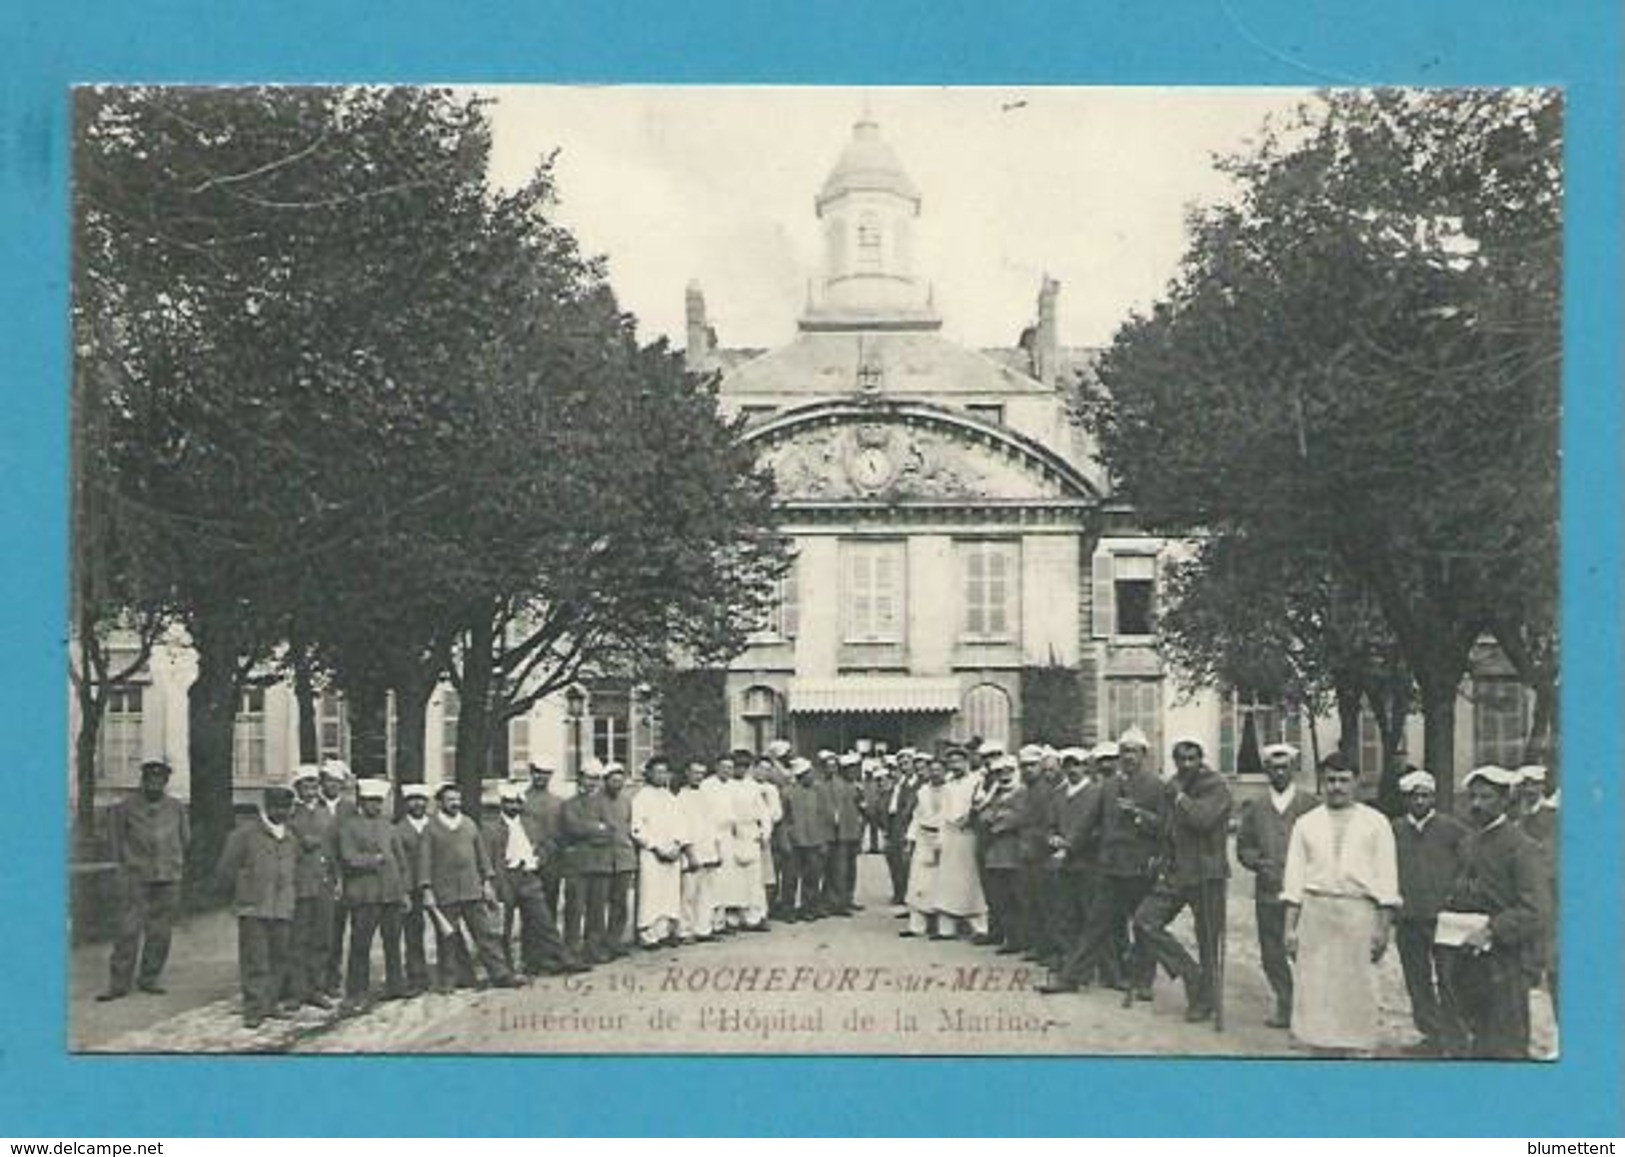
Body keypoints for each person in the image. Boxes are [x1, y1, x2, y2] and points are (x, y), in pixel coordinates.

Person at [1280, 754, 1400, 1055]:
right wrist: (1290, 929)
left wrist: (1382, 928)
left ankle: (1357, 1049)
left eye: (1343, 780)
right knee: (1316, 985)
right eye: (1330, 780)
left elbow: (1387, 880)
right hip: (1317, 911)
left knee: (1357, 984)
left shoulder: (1376, 823)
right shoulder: (1306, 823)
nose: (1336, 787)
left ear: (1356, 782)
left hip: (1358, 912)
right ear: (1323, 783)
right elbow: (1293, 879)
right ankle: (1320, 1048)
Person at [1437, 764, 1548, 1059]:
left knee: (1506, 1045)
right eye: (1472, 797)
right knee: (1475, 1041)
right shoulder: (1469, 843)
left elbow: (1536, 909)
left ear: (1505, 800)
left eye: (1485, 797)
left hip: (1505, 963)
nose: (1476, 804)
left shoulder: (1521, 846)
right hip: (1468, 960)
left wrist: (1491, 930)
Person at [1133, 740, 1232, 1023]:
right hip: (1176, 872)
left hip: (1207, 873)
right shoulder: (1173, 785)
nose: (1186, 764)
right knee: (1145, 920)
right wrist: (1146, 823)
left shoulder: (1217, 786)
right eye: (1181, 759)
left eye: (1192, 759)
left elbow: (1202, 819)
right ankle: (1191, 973)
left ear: (1202, 759)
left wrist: (1179, 798)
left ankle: (1204, 1001)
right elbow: (1166, 827)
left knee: (1208, 941)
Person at [1235, 742, 1320, 1028]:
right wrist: (1257, 862)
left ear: (1293, 769)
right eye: (1274, 767)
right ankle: (1286, 1002)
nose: (1280, 773)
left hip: (1305, 893)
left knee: (1306, 951)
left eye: (1285, 767)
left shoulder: (1310, 804)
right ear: (1266, 770)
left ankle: (1312, 1008)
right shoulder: (1256, 807)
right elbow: (1244, 845)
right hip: (1269, 891)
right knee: (1271, 952)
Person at [1390, 768, 1470, 1055]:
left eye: (1426, 795)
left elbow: (1468, 864)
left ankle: (1456, 1037)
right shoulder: (1395, 829)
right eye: (1415, 796)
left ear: (1434, 797)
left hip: (1443, 919)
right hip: (1409, 918)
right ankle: (1431, 1035)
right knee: (1417, 979)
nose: (1421, 801)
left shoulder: (1452, 828)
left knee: (1449, 979)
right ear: (1406, 799)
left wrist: (1455, 895)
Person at [99, 757, 189, 1002]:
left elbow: (185, 839)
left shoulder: (176, 807)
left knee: (160, 931)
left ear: (166, 782)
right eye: (150, 780)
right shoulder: (125, 807)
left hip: (168, 876)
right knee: (128, 929)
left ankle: (150, 977)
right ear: (143, 780)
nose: (155, 785)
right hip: (135, 876)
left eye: (160, 780)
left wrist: (176, 863)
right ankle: (119, 983)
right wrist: (123, 866)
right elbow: (116, 841)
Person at [418, 784, 521, 992]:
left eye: (457, 799)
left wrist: (487, 881)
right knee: (448, 939)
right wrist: (427, 889)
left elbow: (481, 855)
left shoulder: (469, 824)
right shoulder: (431, 828)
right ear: (440, 802)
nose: (455, 803)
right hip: (445, 891)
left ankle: (500, 973)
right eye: (450, 800)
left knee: (486, 934)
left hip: (472, 888)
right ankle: (451, 978)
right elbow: (424, 861)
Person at [214, 776, 299, 1029]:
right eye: (276, 808)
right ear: (267, 807)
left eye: (285, 808)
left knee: (278, 957)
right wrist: (240, 894)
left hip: (282, 906)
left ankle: (270, 1003)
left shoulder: (291, 837)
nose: (280, 813)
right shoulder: (245, 834)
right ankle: (254, 1008)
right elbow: (226, 869)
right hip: (254, 906)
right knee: (255, 959)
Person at [485, 780, 583, 976]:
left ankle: (561, 958)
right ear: (502, 804)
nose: (513, 806)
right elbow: (486, 857)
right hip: (506, 878)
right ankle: (507, 968)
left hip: (529, 877)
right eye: (509, 802)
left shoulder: (530, 824)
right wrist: (492, 882)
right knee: (505, 926)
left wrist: (539, 858)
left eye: (516, 802)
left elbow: (548, 843)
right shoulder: (491, 827)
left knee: (543, 921)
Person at [335, 778, 410, 1011]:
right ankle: (356, 991)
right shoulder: (349, 827)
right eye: (370, 802)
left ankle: (396, 985)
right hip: (364, 895)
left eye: (378, 801)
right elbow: (348, 858)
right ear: (361, 802)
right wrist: (373, 860)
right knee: (360, 945)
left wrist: (403, 892)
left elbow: (401, 862)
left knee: (393, 942)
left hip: (391, 894)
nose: (375, 806)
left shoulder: (390, 826)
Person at [1045, 743, 1108, 971]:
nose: (1073, 770)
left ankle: (1091, 965)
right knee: (1065, 913)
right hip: (1063, 864)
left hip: (1087, 862)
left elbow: (1098, 829)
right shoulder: (1058, 794)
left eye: (1078, 765)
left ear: (1087, 767)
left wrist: (1071, 845)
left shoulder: (1096, 792)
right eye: (1068, 765)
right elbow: (1051, 825)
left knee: (1089, 914)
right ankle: (1068, 959)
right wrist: (1052, 839)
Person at [286, 763, 337, 1008]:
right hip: (300, 883)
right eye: (305, 785)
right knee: (299, 939)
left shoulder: (326, 812)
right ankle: (297, 990)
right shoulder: (291, 813)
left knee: (322, 938)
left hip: (324, 882)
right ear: (297, 788)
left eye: (314, 785)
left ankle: (317, 988)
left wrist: (336, 879)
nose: (311, 789)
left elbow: (334, 846)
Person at [560, 760, 619, 962]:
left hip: (600, 864)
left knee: (597, 909)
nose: (591, 782)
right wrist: (597, 829)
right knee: (575, 909)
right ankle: (573, 949)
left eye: (595, 779)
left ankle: (594, 948)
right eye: (588, 778)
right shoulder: (569, 804)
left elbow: (612, 830)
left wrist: (592, 830)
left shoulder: (604, 805)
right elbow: (572, 828)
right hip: (577, 865)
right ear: (580, 778)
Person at [935, 746, 990, 940]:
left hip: (969, 836)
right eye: (951, 762)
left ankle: (979, 927)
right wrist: (940, 840)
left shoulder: (977, 782)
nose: (955, 765)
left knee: (970, 879)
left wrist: (972, 817)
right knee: (948, 881)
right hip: (950, 837)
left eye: (959, 761)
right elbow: (943, 813)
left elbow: (983, 806)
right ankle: (947, 927)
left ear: (967, 762)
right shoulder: (947, 785)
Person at [630, 756, 685, 948]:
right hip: (652, 853)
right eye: (658, 772)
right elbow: (637, 828)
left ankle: (666, 931)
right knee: (651, 893)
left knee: (669, 893)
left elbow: (680, 825)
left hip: (672, 851)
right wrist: (656, 847)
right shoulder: (641, 797)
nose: (662, 776)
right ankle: (649, 935)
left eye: (665, 772)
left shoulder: (671, 798)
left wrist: (677, 845)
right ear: (649, 773)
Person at [977, 754, 1026, 951]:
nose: (1004, 776)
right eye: (999, 773)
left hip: (1014, 852)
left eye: (1008, 771)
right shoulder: (995, 793)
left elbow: (1017, 819)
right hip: (994, 853)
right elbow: (983, 816)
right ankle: (1001, 933)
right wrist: (996, 818)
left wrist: (996, 820)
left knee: (1015, 898)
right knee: (998, 897)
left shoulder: (1022, 792)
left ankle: (1016, 938)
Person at [316, 759, 355, 996]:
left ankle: (333, 977)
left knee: (338, 928)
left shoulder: (349, 809)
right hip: (321, 875)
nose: (333, 786)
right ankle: (317, 979)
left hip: (345, 874)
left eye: (337, 782)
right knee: (320, 930)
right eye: (329, 781)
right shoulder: (315, 806)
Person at [393, 783, 435, 994]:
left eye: (421, 799)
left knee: (448, 928)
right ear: (406, 803)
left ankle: (452, 971)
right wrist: (404, 890)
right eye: (413, 800)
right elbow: (398, 863)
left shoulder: (436, 825)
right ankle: (417, 975)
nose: (417, 804)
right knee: (413, 932)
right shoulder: (399, 829)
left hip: (437, 886)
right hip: (411, 887)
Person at [901, 757, 948, 938]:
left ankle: (941, 924)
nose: (935, 773)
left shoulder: (951, 791)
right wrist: (910, 841)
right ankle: (917, 925)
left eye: (939, 770)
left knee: (940, 882)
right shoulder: (922, 792)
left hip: (945, 837)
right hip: (923, 837)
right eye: (932, 770)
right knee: (919, 881)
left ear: (944, 772)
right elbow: (916, 817)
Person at [782, 756, 832, 922]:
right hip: (795, 840)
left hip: (814, 841)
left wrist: (824, 841)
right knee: (790, 878)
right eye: (808, 774)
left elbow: (824, 817)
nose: (812, 777)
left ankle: (809, 908)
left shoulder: (818, 791)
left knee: (812, 876)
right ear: (801, 775)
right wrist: (786, 841)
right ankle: (788, 909)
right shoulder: (787, 792)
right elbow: (783, 820)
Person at [521, 761, 567, 923]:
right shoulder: (521, 800)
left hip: (552, 859)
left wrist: (554, 851)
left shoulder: (559, 802)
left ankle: (548, 942)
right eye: (537, 772)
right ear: (531, 773)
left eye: (545, 773)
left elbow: (563, 833)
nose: (541, 777)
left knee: (550, 900)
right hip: (528, 858)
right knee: (529, 902)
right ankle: (530, 943)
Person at [826, 752, 865, 915]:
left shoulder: (854, 785)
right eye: (851, 769)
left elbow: (861, 807)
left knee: (851, 869)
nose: (854, 772)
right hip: (840, 834)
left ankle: (848, 899)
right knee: (839, 871)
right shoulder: (836, 785)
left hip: (852, 833)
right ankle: (837, 903)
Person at [883, 751, 920, 907]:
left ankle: (909, 896)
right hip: (895, 825)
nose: (903, 767)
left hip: (909, 825)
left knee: (908, 863)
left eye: (906, 763)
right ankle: (899, 892)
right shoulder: (899, 783)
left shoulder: (918, 783)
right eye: (901, 764)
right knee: (895, 861)